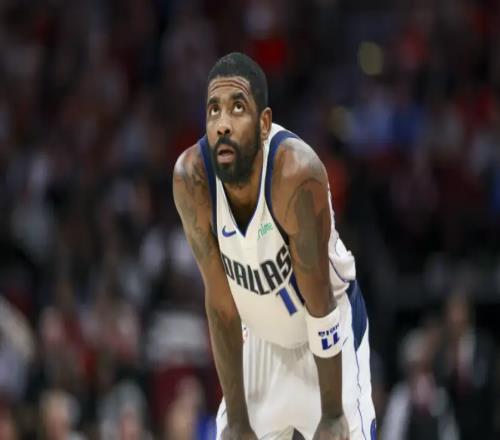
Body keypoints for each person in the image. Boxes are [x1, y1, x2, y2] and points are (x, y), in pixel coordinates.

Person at [173, 52, 376, 440]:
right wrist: (237, 419)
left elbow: (320, 303)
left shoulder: (295, 173)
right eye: (214, 110)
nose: (223, 124)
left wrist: (332, 412)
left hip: (326, 343)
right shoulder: (191, 179)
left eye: (237, 108)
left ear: (264, 123)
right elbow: (221, 307)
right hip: (261, 342)